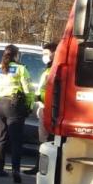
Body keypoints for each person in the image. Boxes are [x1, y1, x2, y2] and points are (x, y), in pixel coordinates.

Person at [0, 44, 34, 183]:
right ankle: (16, 171)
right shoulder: (21, 69)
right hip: (13, 105)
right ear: (16, 55)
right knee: (16, 140)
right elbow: (28, 90)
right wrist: (30, 105)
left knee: (1, 138)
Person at [25, 42, 58, 175]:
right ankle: (39, 166)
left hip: (49, 109)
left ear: (54, 53)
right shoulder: (48, 69)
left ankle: (42, 167)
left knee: (46, 141)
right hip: (44, 108)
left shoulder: (54, 70)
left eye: (46, 53)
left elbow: (48, 90)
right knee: (43, 140)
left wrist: (40, 98)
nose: (44, 56)